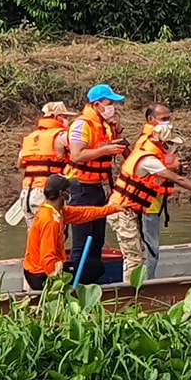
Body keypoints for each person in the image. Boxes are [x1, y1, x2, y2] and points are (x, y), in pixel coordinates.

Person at [111, 103, 191, 284]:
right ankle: (131, 296)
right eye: (170, 144)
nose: (172, 148)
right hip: (129, 209)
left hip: (141, 205)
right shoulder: (148, 155)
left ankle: (142, 289)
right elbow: (177, 179)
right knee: (138, 256)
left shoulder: (153, 147)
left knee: (143, 253)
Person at [63, 84, 128, 286]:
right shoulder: (82, 125)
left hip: (96, 187)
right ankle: (74, 288)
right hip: (80, 188)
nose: (113, 108)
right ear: (97, 105)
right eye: (110, 103)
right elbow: (77, 154)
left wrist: (116, 132)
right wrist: (105, 149)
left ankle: (92, 286)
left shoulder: (105, 125)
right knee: (81, 243)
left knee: (97, 241)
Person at [22, 175, 121, 291]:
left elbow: (84, 213)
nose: (70, 193)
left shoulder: (56, 211)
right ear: (62, 194)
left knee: (91, 266)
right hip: (41, 275)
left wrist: (114, 209)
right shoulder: (50, 221)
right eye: (68, 191)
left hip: (38, 269)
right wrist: (58, 284)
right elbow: (47, 258)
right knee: (95, 268)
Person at [14, 101, 71, 223]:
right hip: (48, 194)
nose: (67, 120)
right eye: (65, 117)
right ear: (56, 117)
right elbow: (78, 153)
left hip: (26, 193)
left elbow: (20, 163)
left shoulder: (31, 137)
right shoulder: (61, 136)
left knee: (34, 237)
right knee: (52, 235)